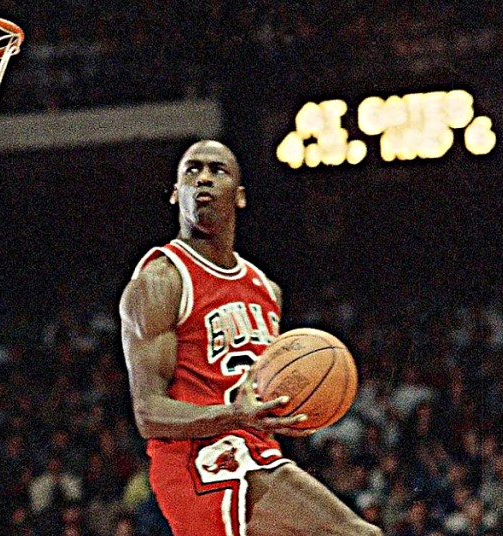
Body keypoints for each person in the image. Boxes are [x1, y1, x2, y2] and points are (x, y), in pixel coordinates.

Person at [119, 140, 381, 535]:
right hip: (200, 460)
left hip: (257, 452)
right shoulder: (161, 280)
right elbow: (148, 413)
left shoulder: (266, 289)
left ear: (239, 196)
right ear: (175, 194)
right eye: (192, 170)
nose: (203, 178)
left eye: (217, 170)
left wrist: (289, 410)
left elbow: (261, 393)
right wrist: (233, 415)